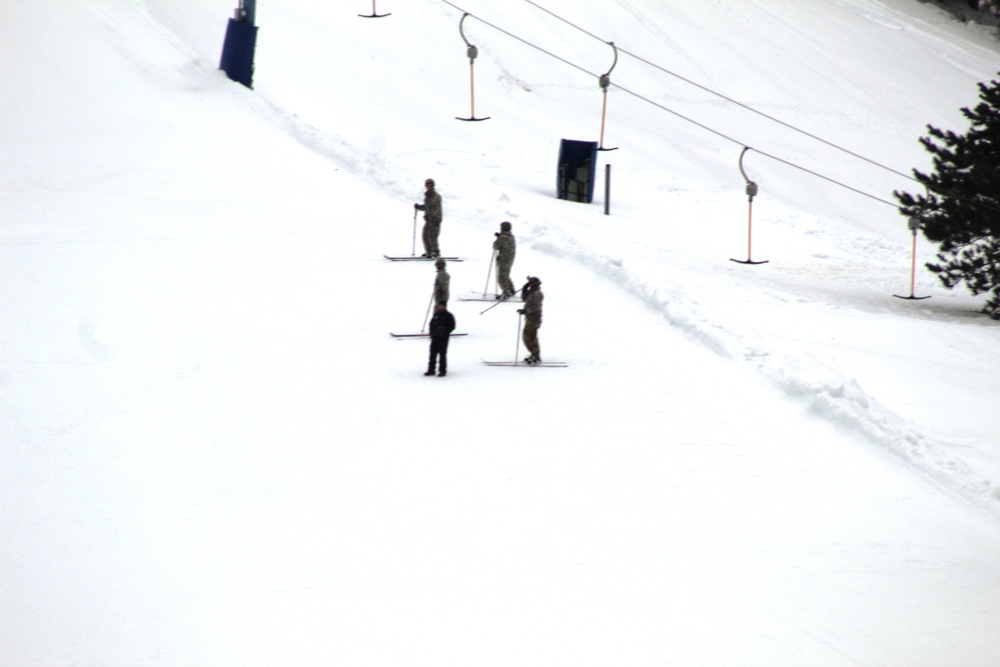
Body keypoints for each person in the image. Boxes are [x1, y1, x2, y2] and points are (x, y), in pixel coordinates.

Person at [414, 178, 443, 258]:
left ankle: (435, 252)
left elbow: (435, 209)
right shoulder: (428, 196)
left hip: (435, 220)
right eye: (427, 185)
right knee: (425, 235)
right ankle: (429, 251)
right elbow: (427, 207)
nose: (428, 186)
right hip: (429, 220)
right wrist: (419, 207)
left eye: (430, 185)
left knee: (432, 236)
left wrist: (429, 215)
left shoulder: (436, 196)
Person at [425, 301, 456, 377]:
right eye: (439, 305)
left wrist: (445, 332)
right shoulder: (436, 315)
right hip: (435, 338)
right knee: (432, 355)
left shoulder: (449, 316)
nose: (440, 307)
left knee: (442, 355)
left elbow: (452, 326)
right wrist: (432, 334)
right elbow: (431, 324)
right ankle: (431, 370)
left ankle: (442, 371)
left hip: (443, 339)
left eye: (442, 306)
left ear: (445, 306)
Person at [518, 276, 543, 364]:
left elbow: (535, 308)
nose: (529, 284)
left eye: (530, 283)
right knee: (528, 336)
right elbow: (524, 299)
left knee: (530, 337)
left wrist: (525, 311)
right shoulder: (532, 292)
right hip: (530, 317)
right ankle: (534, 354)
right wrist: (524, 289)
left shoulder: (537, 294)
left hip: (534, 318)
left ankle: (535, 355)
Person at [492, 221, 516, 299]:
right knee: (506, 274)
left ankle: (506, 292)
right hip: (510, 259)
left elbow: (495, 246)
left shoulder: (503, 238)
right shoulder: (511, 236)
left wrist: (498, 238)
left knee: (501, 277)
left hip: (504, 259)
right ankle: (511, 289)